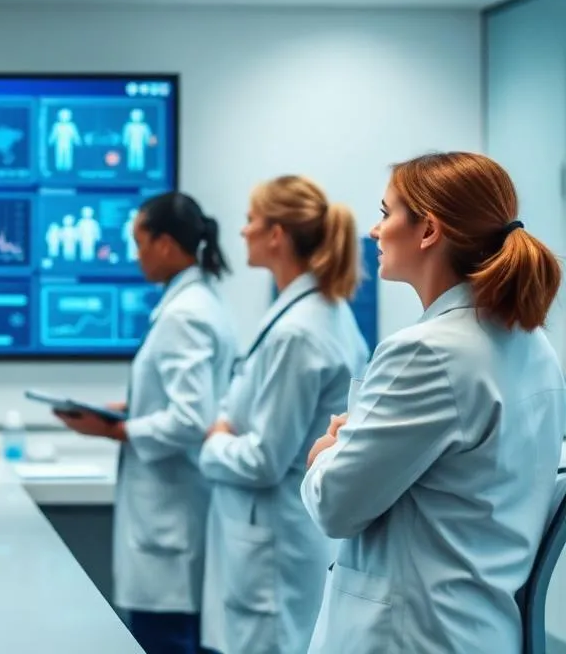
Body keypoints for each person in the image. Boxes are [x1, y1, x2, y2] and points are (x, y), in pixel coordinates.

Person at [302, 152, 566, 653]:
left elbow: (335, 505)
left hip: (408, 636)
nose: (376, 232)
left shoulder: (427, 351)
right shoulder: (531, 345)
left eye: (386, 214)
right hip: (475, 631)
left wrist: (329, 450)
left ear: (428, 231)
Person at [54, 191, 237, 654]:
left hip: (173, 522)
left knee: (167, 640)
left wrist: (116, 429)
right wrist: (130, 408)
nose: (135, 256)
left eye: (139, 243)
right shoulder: (195, 304)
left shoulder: (184, 316)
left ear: (165, 244)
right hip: (176, 514)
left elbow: (190, 418)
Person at [198, 175, 368, 654]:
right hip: (281, 538)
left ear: (276, 235)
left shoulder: (300, 331)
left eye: (251, 221)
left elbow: (264, 460)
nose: (243, 232)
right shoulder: (314, 312)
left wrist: (212, 441)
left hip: (276, 543)